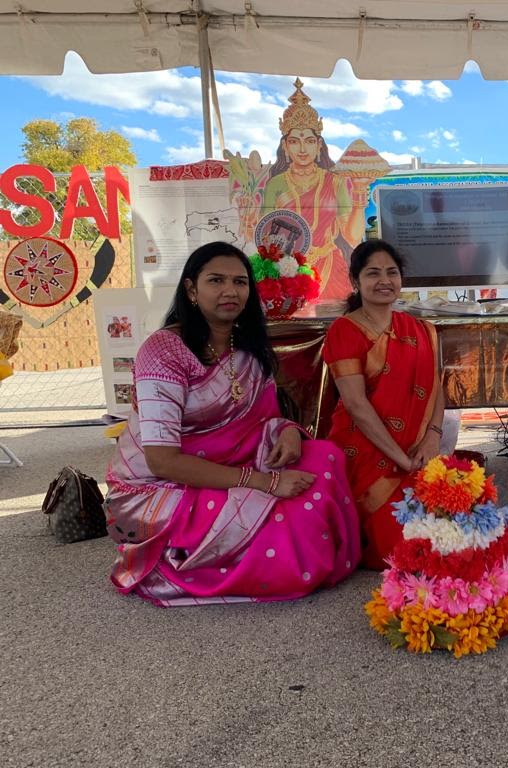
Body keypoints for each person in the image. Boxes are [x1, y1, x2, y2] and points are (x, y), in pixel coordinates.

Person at [105, 242, 361, 606]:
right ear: (191, 289)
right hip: (159, 489)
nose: (230, 291)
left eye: (240, 282)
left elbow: (266, 417)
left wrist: (288, 431)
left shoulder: (246, 347)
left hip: (233, 462)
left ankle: (283, 549)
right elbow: (162, 461)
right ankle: (200, 560)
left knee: (325, 458)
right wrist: (265, 483)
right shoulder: (164, 352)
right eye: (216, 280)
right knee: (287, 524)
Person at [323, 240, 445, 569]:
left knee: (457, 528)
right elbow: (356, 405)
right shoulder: (344, 330)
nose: (384, 280)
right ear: (355, 280)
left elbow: (436, 387)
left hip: (418, 450)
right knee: (402, 549)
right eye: (373, 273)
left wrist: (432, 437)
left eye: (392, 272)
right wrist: (401, 460)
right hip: (364, 453)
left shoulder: (420, 329)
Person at [261, 78, 357, 303]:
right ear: (285, 146)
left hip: (330, 266)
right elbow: (265, 234)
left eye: (310, 141)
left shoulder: (335, 182)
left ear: (319, 145)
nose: (303, 149)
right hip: (287, 272)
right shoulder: (275, 184)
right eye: (295, 141)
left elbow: (352, 236)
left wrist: (360, 197)